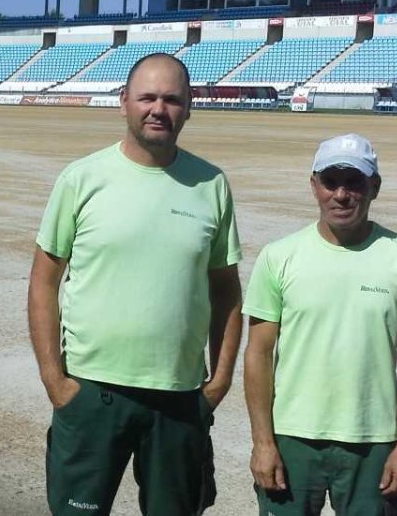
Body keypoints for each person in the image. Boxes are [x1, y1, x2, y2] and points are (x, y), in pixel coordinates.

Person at [28, 53, 243, 515]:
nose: (158, 109)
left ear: (189, 107)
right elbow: (44, 281)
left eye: (172, 99)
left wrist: (219, 380)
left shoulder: (211, 185)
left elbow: (226, 289)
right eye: (147, 97)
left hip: (180, 400)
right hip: (90, 394)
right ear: (124, 102)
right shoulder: (82, 179)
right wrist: (55, 380)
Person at [243, 133, 397, 516]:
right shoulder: (279, 256)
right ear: (313, 185)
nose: (341, 194)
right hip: (292, 439)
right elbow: (259, 353)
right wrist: (263, 442)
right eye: (330, 182)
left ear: (375, 188)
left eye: (354, 183)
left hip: (373, 442)